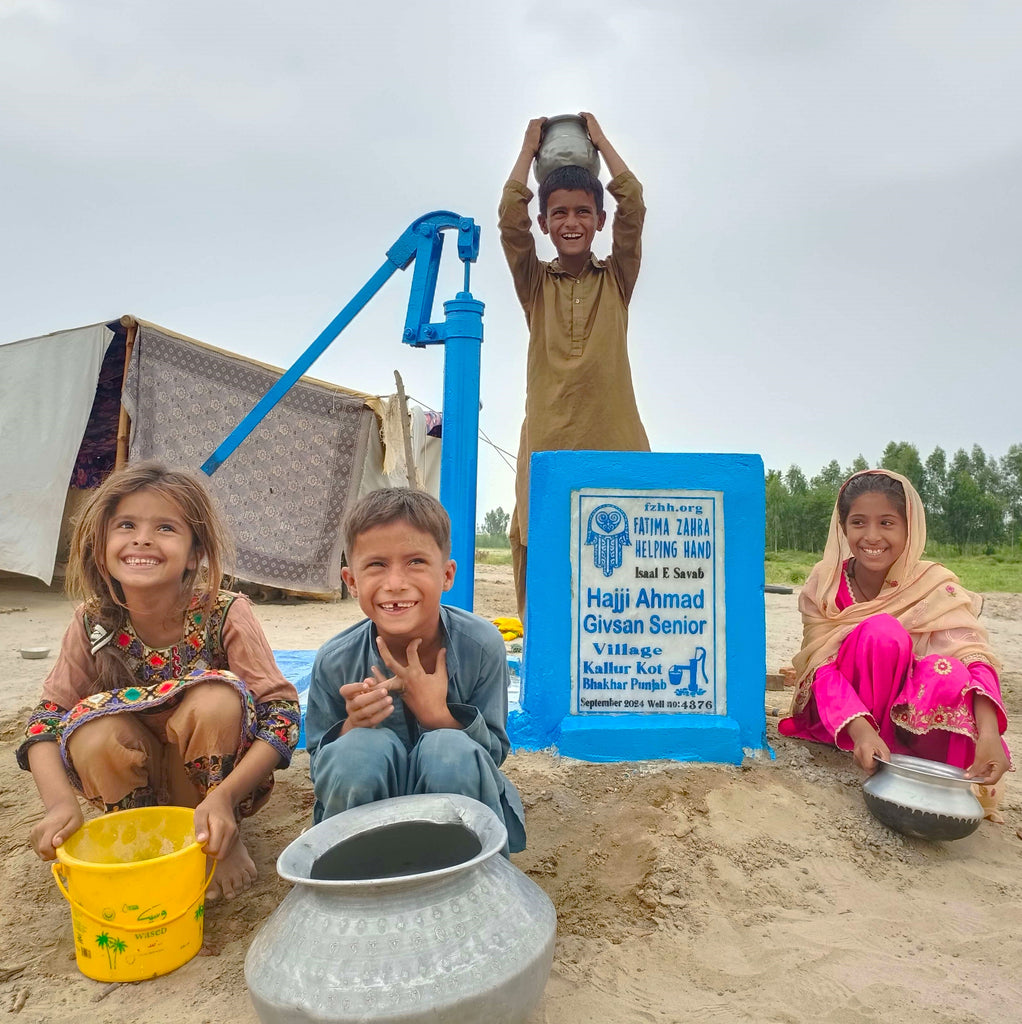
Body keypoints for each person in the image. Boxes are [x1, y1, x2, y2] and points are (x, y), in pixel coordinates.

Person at [17, 462, 300, 898]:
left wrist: (225, 798)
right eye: (126, 524)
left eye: (165, 527)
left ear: (193, 554)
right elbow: (44, 723)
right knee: (92, 732)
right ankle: (141, 839)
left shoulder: (224, 612)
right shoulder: (92, 622)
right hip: (137, 781)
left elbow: (282, 715)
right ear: (101, 546)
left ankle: (214, 840)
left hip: (215, 784)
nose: (142, 538)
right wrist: (59, 806)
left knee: (215, 698)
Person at [779, 469, 1011, 818]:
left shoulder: (931, 584)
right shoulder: (825, 585)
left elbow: (974, 657)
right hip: (839, 716)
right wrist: (860, 730)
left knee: (946, 671)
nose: (872, 536)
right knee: (882, 632)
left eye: (887, 523)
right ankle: (873, 743)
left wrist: (989, 733)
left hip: (902, 716)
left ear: (909, 527)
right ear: (843, 527)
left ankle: (938, 766)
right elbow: (820, 668)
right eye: (858, 522)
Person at [305, 488, 525, 853]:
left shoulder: (482, 646)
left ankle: (462, 874)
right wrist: (351, 727)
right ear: (352, 581)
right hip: (365, 823)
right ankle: (355, 878)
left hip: (458, 811)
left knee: (449, 750)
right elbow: (319, 765)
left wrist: (438, 715)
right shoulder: (335, 661)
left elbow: (494, 754)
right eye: (376, 565)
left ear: (447, 574)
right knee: (355, 753)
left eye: (416, 562)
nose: (395, 583)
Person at [499, 112, 650, 619]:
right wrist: (528, 148)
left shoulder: (617, 280)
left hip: (615, 441)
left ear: (599, 221)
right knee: (541, 549)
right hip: (548, 441)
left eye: (583, 212)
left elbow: (634, 203)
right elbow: (508, 220)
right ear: (544, 224)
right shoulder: (535, 285)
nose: (571, 222)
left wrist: (601, 140)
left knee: (624, 558)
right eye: (558, 213)